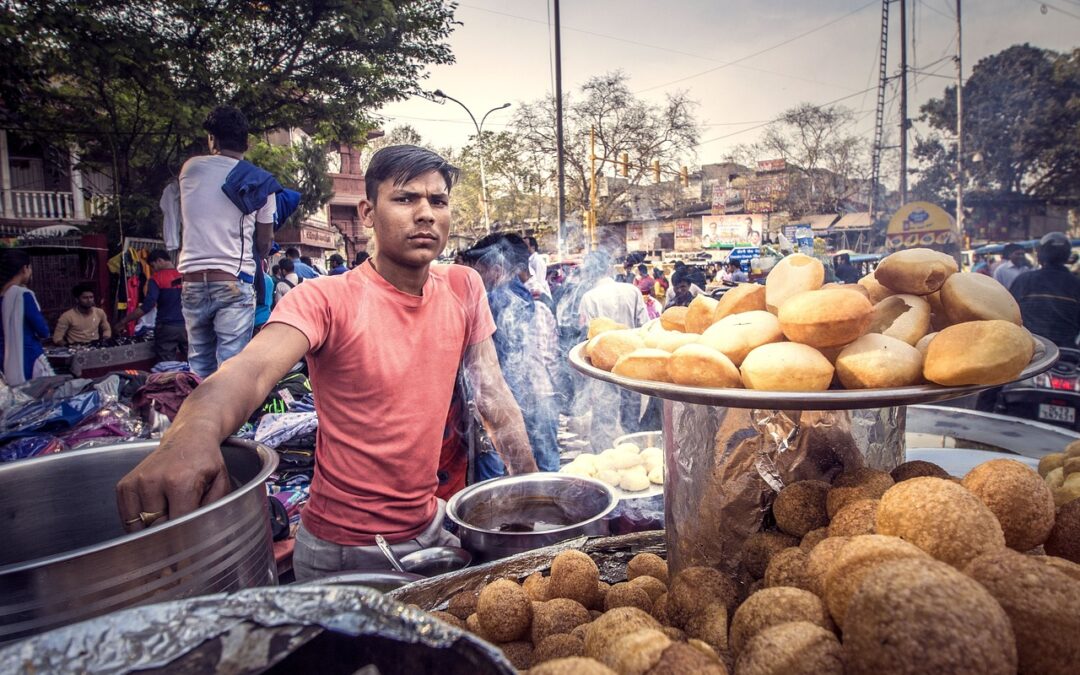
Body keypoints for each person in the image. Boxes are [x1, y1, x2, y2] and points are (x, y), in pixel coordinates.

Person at [116, 145, 537, 581]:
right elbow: (250, 370)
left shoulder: (463, 286)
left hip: (430, 527)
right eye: (406, 199)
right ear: (368, 212)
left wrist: (532, 494)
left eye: (438, 201)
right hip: (345, 551)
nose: (426, 213)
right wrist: (189, 438)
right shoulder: (326, 298)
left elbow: (493, 394)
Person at [177, 106, 275, 378]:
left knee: (199, 367)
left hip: (192, 281)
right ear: (247, 143)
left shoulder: (190, 169)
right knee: (231, 370)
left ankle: (200, 418)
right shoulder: (260, 181)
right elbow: (265, 243)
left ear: (212, 140)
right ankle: (230, 422)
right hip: (233, 279)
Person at [461, 233, 560, 476]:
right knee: (544, 461)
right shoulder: (520, 294)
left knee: (527, 466)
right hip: (536, 390)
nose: (477, 277)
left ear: (494, 268)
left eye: (479, 269)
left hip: (520, 393)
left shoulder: (499, 298)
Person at [578, 252, 649, 449]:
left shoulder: (588, 298)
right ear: (609, 268)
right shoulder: (631, 291)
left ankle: (605, 456)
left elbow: (588, 336)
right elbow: (644, 326)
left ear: (590, 273)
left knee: (604, 417)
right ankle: (634, 450)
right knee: (631, 416)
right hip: (632, 362)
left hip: (603, 367)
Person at [113, 250, 187, 362]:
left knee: (167, 366)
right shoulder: (185, 276)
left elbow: (148, 305)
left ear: (159, 260)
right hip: (188, 327)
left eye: (153, 266)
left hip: (167, 327)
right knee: (195, 362)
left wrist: (124, 321)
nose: (153, 269)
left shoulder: (156, 278)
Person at [1010, 232, 1080, 347]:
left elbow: (1010, 315)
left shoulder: (1024, 280)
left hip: (1032, 351)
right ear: (1067, 255)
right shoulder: (1076, 284)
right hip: (1068, 353)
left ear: (1040, 255)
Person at [0, 249, 52, 384]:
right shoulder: (23, 295)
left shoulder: (2, 296)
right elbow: (43, 331)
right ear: (25, 268)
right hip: (28, 356)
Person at [524, 236, 552, 300]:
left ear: (533, 247)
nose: (522, 248)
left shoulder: (537, 260)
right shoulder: (530, 260)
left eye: (525, 246)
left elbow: (539, 281)